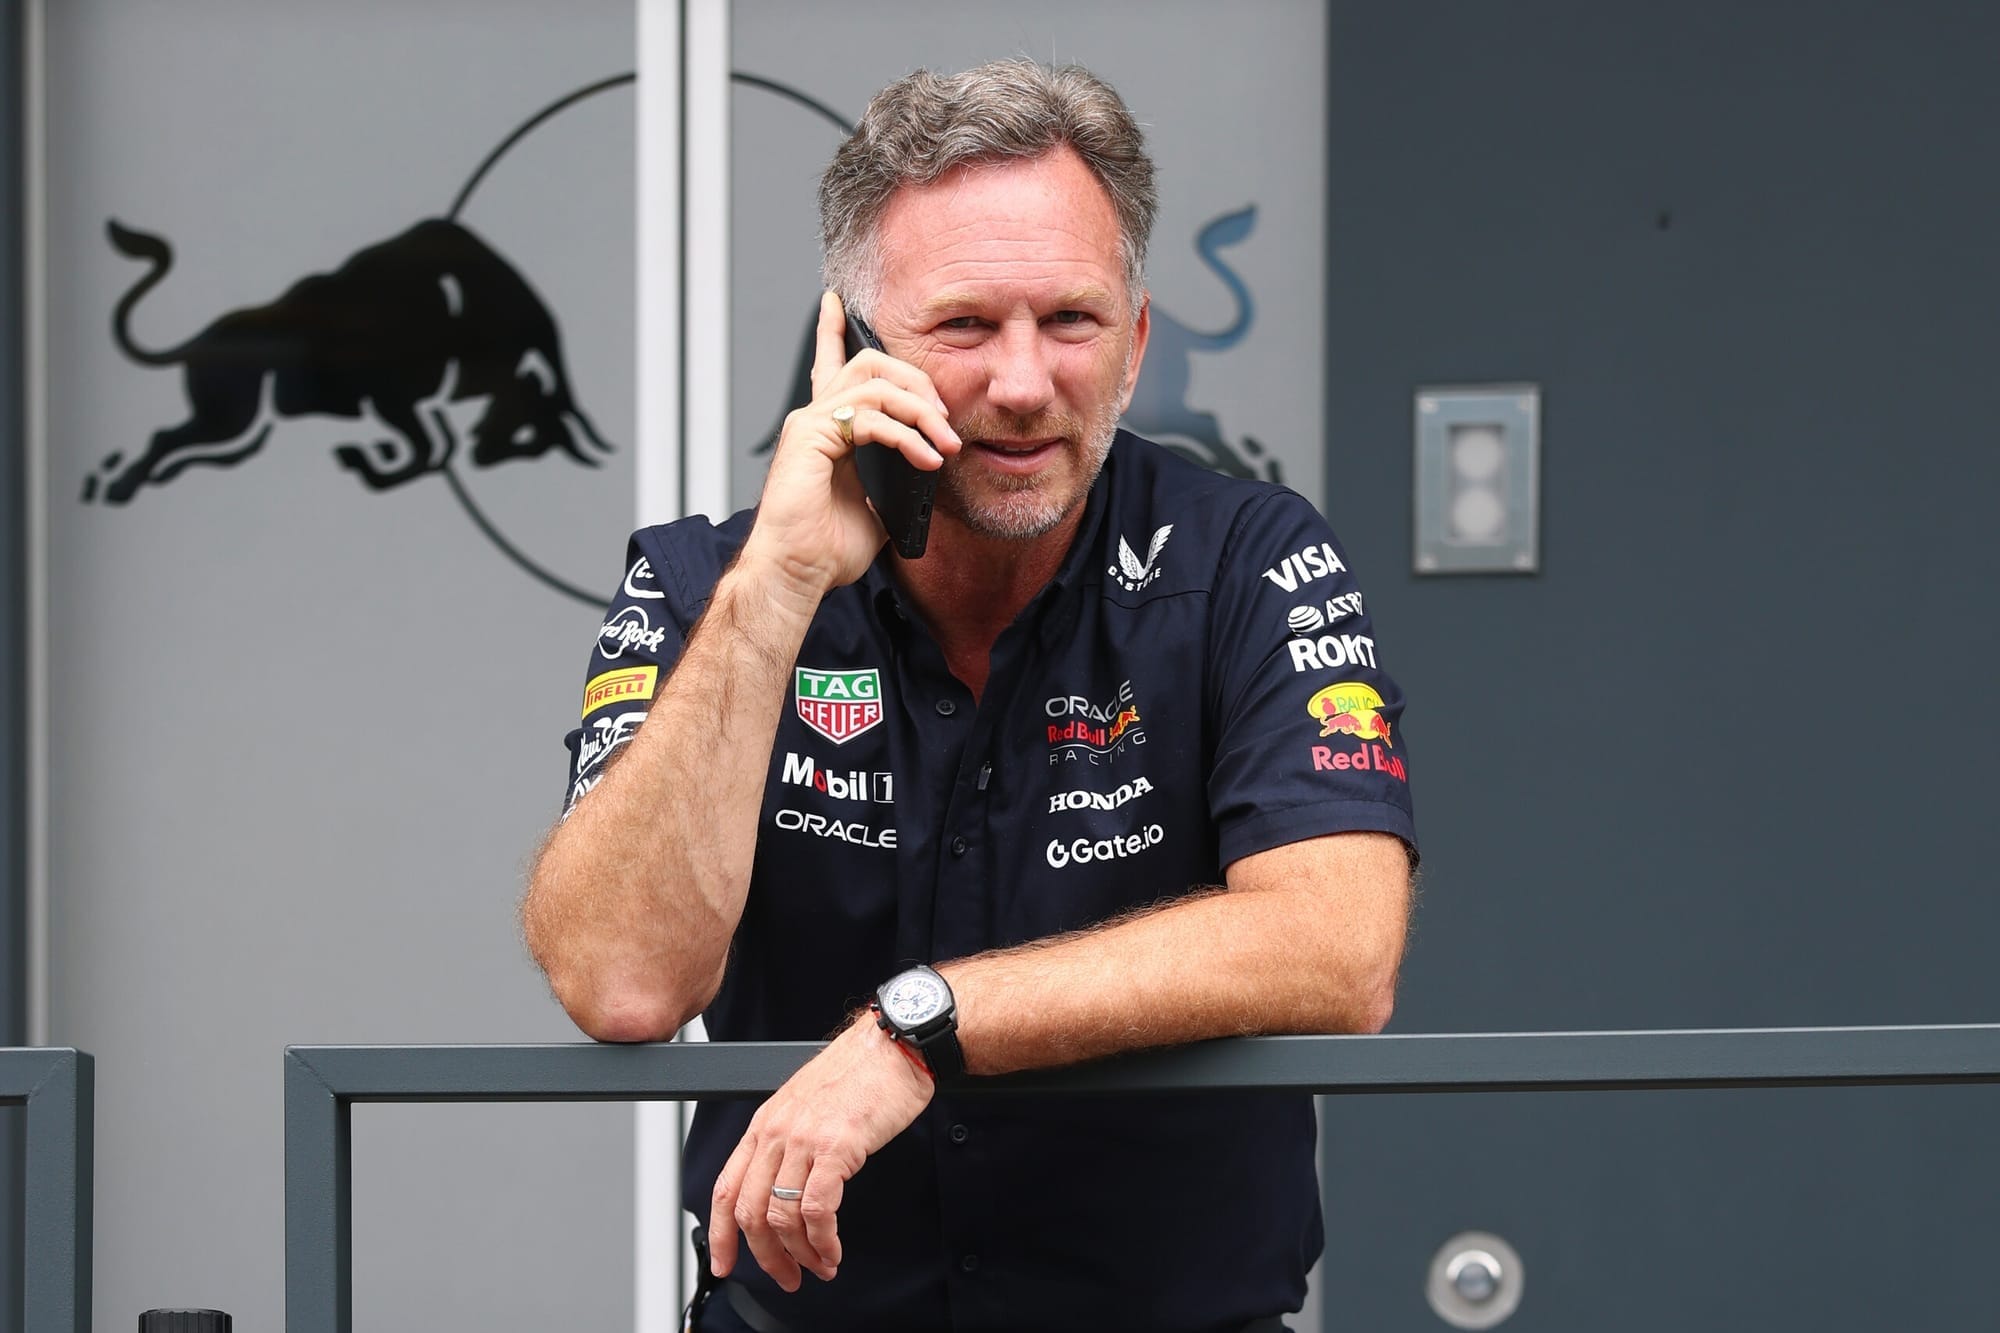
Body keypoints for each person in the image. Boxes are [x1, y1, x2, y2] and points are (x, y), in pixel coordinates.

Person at [522, 58, 1416, 1333]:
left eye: (1070, 320)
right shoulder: (703, 583)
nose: (1022, 382)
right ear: (854, 347)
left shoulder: (1247, 559)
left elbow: (1339, 945)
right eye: (963, 326)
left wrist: (920, 1028)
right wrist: (777, 584)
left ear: (1136, 341)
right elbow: (620, 980)